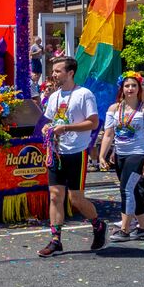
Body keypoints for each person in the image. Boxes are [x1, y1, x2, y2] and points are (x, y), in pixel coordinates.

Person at [38, 56, 106, 257]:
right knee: (55, 196)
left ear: (70, 73)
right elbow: (50, 120)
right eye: (54, 71)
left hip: (77, 152)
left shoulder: (84, 94)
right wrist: (46, 128)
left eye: (58, 71)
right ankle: (55, 240)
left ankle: (98, 225)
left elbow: (93, 123)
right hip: (57, 152)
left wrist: (66, 127)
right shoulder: (54, 96)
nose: (54, 74)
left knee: (75, 199)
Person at [98, 75, 144, 240]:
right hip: (120, 155)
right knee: (132, 190)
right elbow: (109, 134)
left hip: (137, 154)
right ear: (122, 89)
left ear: (139, 89)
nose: (130, 89)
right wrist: (102, 155)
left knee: (126, 189)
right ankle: (143, 226)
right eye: (127, 86)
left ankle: (125, 229)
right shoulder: (114, 109)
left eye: (134, 86)